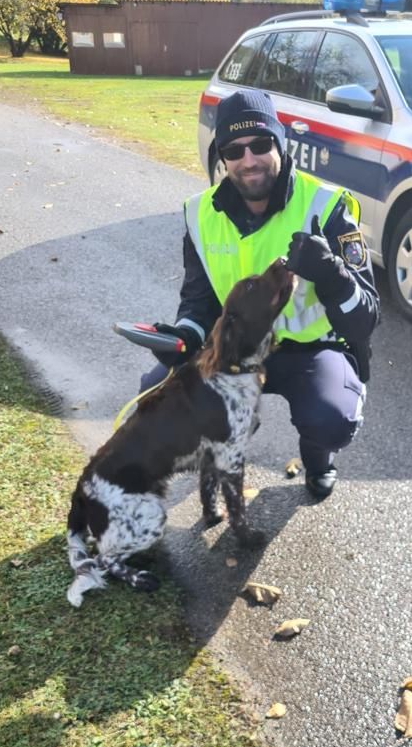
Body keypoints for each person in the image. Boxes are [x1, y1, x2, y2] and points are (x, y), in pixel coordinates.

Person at [140, 90, 380, 499]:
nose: (248, 160)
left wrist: (332, 273)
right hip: (235, 351)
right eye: (234, 150)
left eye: (260, 144)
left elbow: (366, 317)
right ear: (222, 157)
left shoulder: (328, 206)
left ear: (281, 144)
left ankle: (318, 459)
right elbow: (198, 301)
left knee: (332, 418)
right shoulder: (200, 214)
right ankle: (220, 455)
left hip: (310, 351)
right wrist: (184, 338)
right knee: (157, 387)